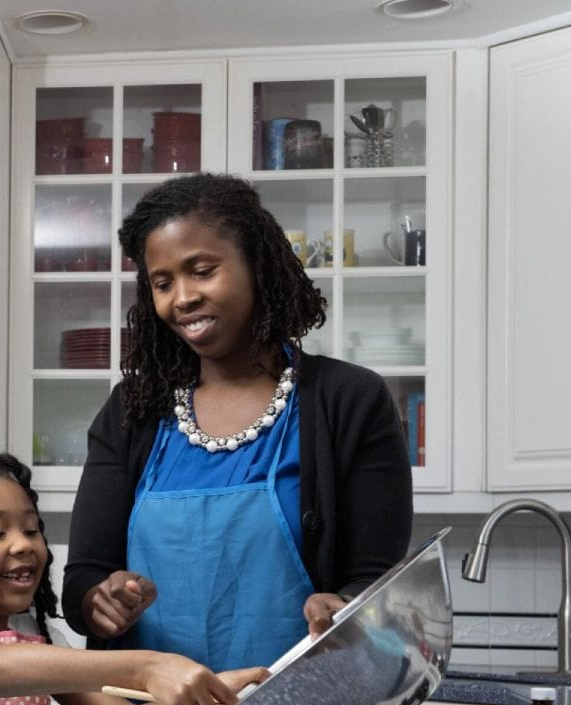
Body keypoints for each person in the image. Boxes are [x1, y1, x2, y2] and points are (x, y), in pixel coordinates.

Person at [63, 173, 413, 671]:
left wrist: (345, 608)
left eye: (202, 271)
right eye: (162, 283)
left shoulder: (349, 400)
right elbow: (83, 577)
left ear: (257, 265)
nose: (181, 298)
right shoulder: (133, 410)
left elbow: (375, 580)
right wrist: (101, 603)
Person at [0, 452, 269, 705]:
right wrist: (149, 666)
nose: (23, 545)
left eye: (32, 530)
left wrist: (219, 693)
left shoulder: (39, 637)